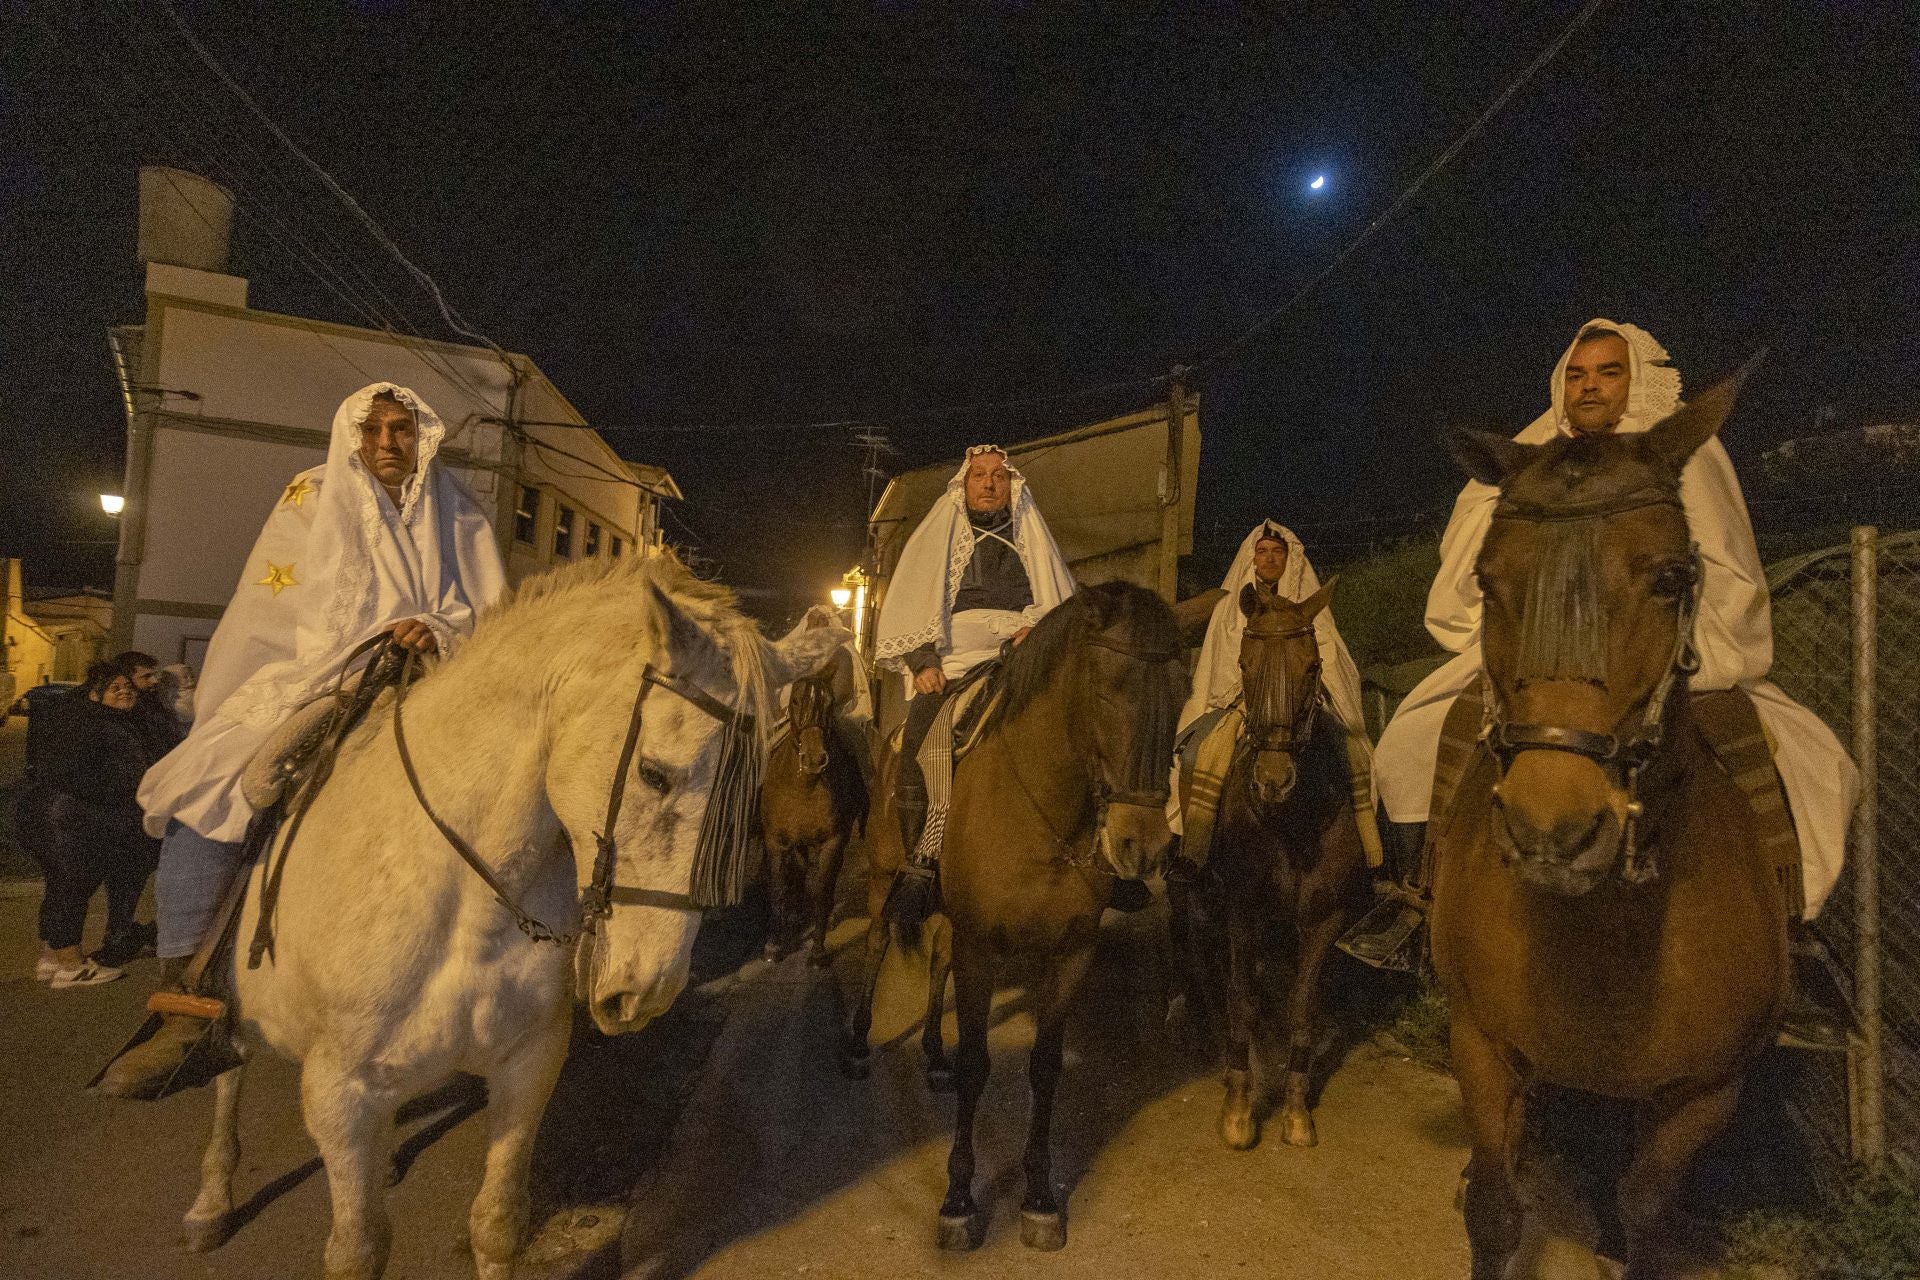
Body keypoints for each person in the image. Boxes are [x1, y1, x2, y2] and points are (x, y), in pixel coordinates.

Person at [1353, 321, 1859, 1042]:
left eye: (1607, 372)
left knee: (1781, 749)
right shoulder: (1533, 461)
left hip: (1660, 647)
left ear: (1638, 379)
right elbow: (1480, 571)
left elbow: (1725, 565)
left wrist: (1683, 636)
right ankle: (1421, 899)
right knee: (1423, 732)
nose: (1589, 385)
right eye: (1578, 373)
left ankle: (1791, 932)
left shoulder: (1680, 453)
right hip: (1542, 652)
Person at [97, 382, 509, 1096]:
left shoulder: (460, 511)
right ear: (351, 434)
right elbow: (280, 605)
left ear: (425, 437)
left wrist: (436, 628)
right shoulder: (313, 493)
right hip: (324, 676)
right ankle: (187, 1003)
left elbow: (484, 610)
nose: (388, 442)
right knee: (215, 785)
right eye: (374, 428)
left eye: (402, 429)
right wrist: (365, 638)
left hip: (437, 678)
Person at [873, 445, 1076, 880]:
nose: (989, 483)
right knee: (919, 737)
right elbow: (914, 605)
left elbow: (1057, 601)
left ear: (1010, 484)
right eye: (979, 475)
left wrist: (1036, 632)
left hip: (1024, 656)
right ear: (964, 485)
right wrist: (925, 663)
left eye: (998, 476)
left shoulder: (1032, 536)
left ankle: (1096, 855)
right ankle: (919, 860)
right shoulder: (937, 537)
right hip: (955, 661)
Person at [1171, 521, 1382, 867]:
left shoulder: (1308, 604)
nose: (1270, 558)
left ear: (1289, 558)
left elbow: (1330, 658)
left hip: (1304, 703)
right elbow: (1221, 661)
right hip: (1240, 703)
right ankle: (1190, 858)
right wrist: (1247, 693)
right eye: (1263, 551)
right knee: (1196, 757)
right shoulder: (1230, 609)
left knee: (1356, 758)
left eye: (1277, 552)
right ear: (1252, 558)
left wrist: (1311, 690)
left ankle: (1372, 856)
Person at [30, 662, 157, 987]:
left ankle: (52, 958)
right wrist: (113, 795)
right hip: (78, 818)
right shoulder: (91, 724)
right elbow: (67, 771)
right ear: (95, 693)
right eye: (115, 689)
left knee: (63, 887)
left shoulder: (100, 720)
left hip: (73, 815)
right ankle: (72, 966)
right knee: (74, 889)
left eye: (127, 687)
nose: (125, 692)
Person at [113, 650, 186, 757]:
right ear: (126, 678)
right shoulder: (117, 710)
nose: (154, 680)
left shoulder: (154, 702)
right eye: (146, 676)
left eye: (154, 675)